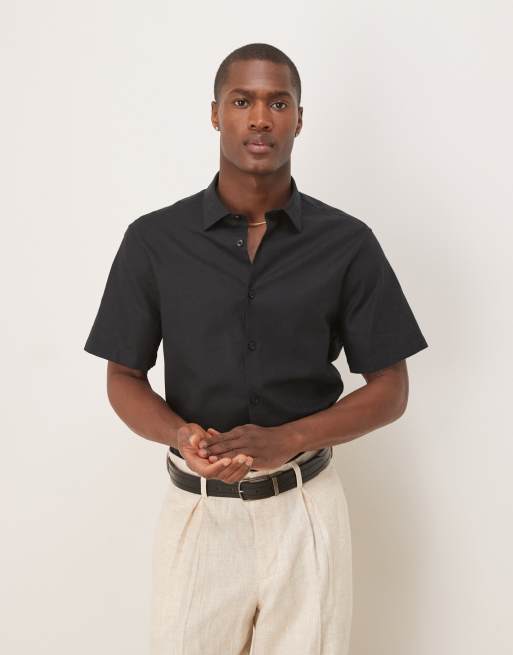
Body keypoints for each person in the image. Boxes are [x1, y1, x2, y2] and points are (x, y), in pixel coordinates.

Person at [83, 42, 428, 655]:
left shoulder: (347, 243)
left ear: (299, 118)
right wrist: (180, 434)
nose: (261, 118)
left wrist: (288, 438)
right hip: (199, 514)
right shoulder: (154, 241)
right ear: (216, 114)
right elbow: (123, 378)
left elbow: (391, 389)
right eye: (242, 101)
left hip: (306, 512)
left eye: (278, 102)